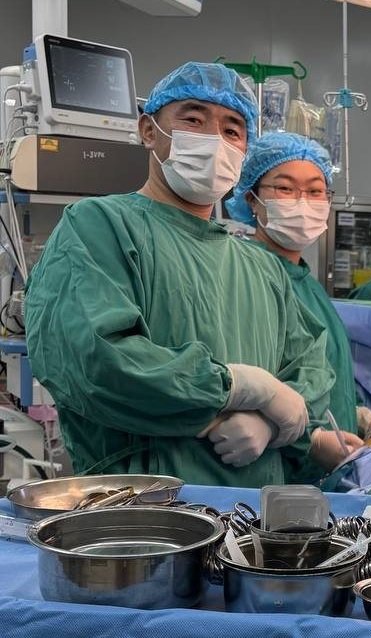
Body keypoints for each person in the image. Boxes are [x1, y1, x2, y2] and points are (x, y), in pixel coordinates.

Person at [25, 62, 335, 488]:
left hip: (256, 509)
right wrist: (237, 387)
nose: (214, 139)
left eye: (232, 129)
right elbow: (95, 362)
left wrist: (272, 423)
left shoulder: (262, 267)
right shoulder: (100, 226)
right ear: (148, 131)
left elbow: (311, 368)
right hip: (144, 505)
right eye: (193, 120)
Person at [225, 132, 371, 471]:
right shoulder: (246, 275)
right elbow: (249, 381)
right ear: (252, 200)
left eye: (315, 191)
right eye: (285, 188)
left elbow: (325, 373)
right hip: (277, 470)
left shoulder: (306, 282)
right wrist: (307, 439)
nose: (303, 201)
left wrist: (356, 413)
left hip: (324, 473)